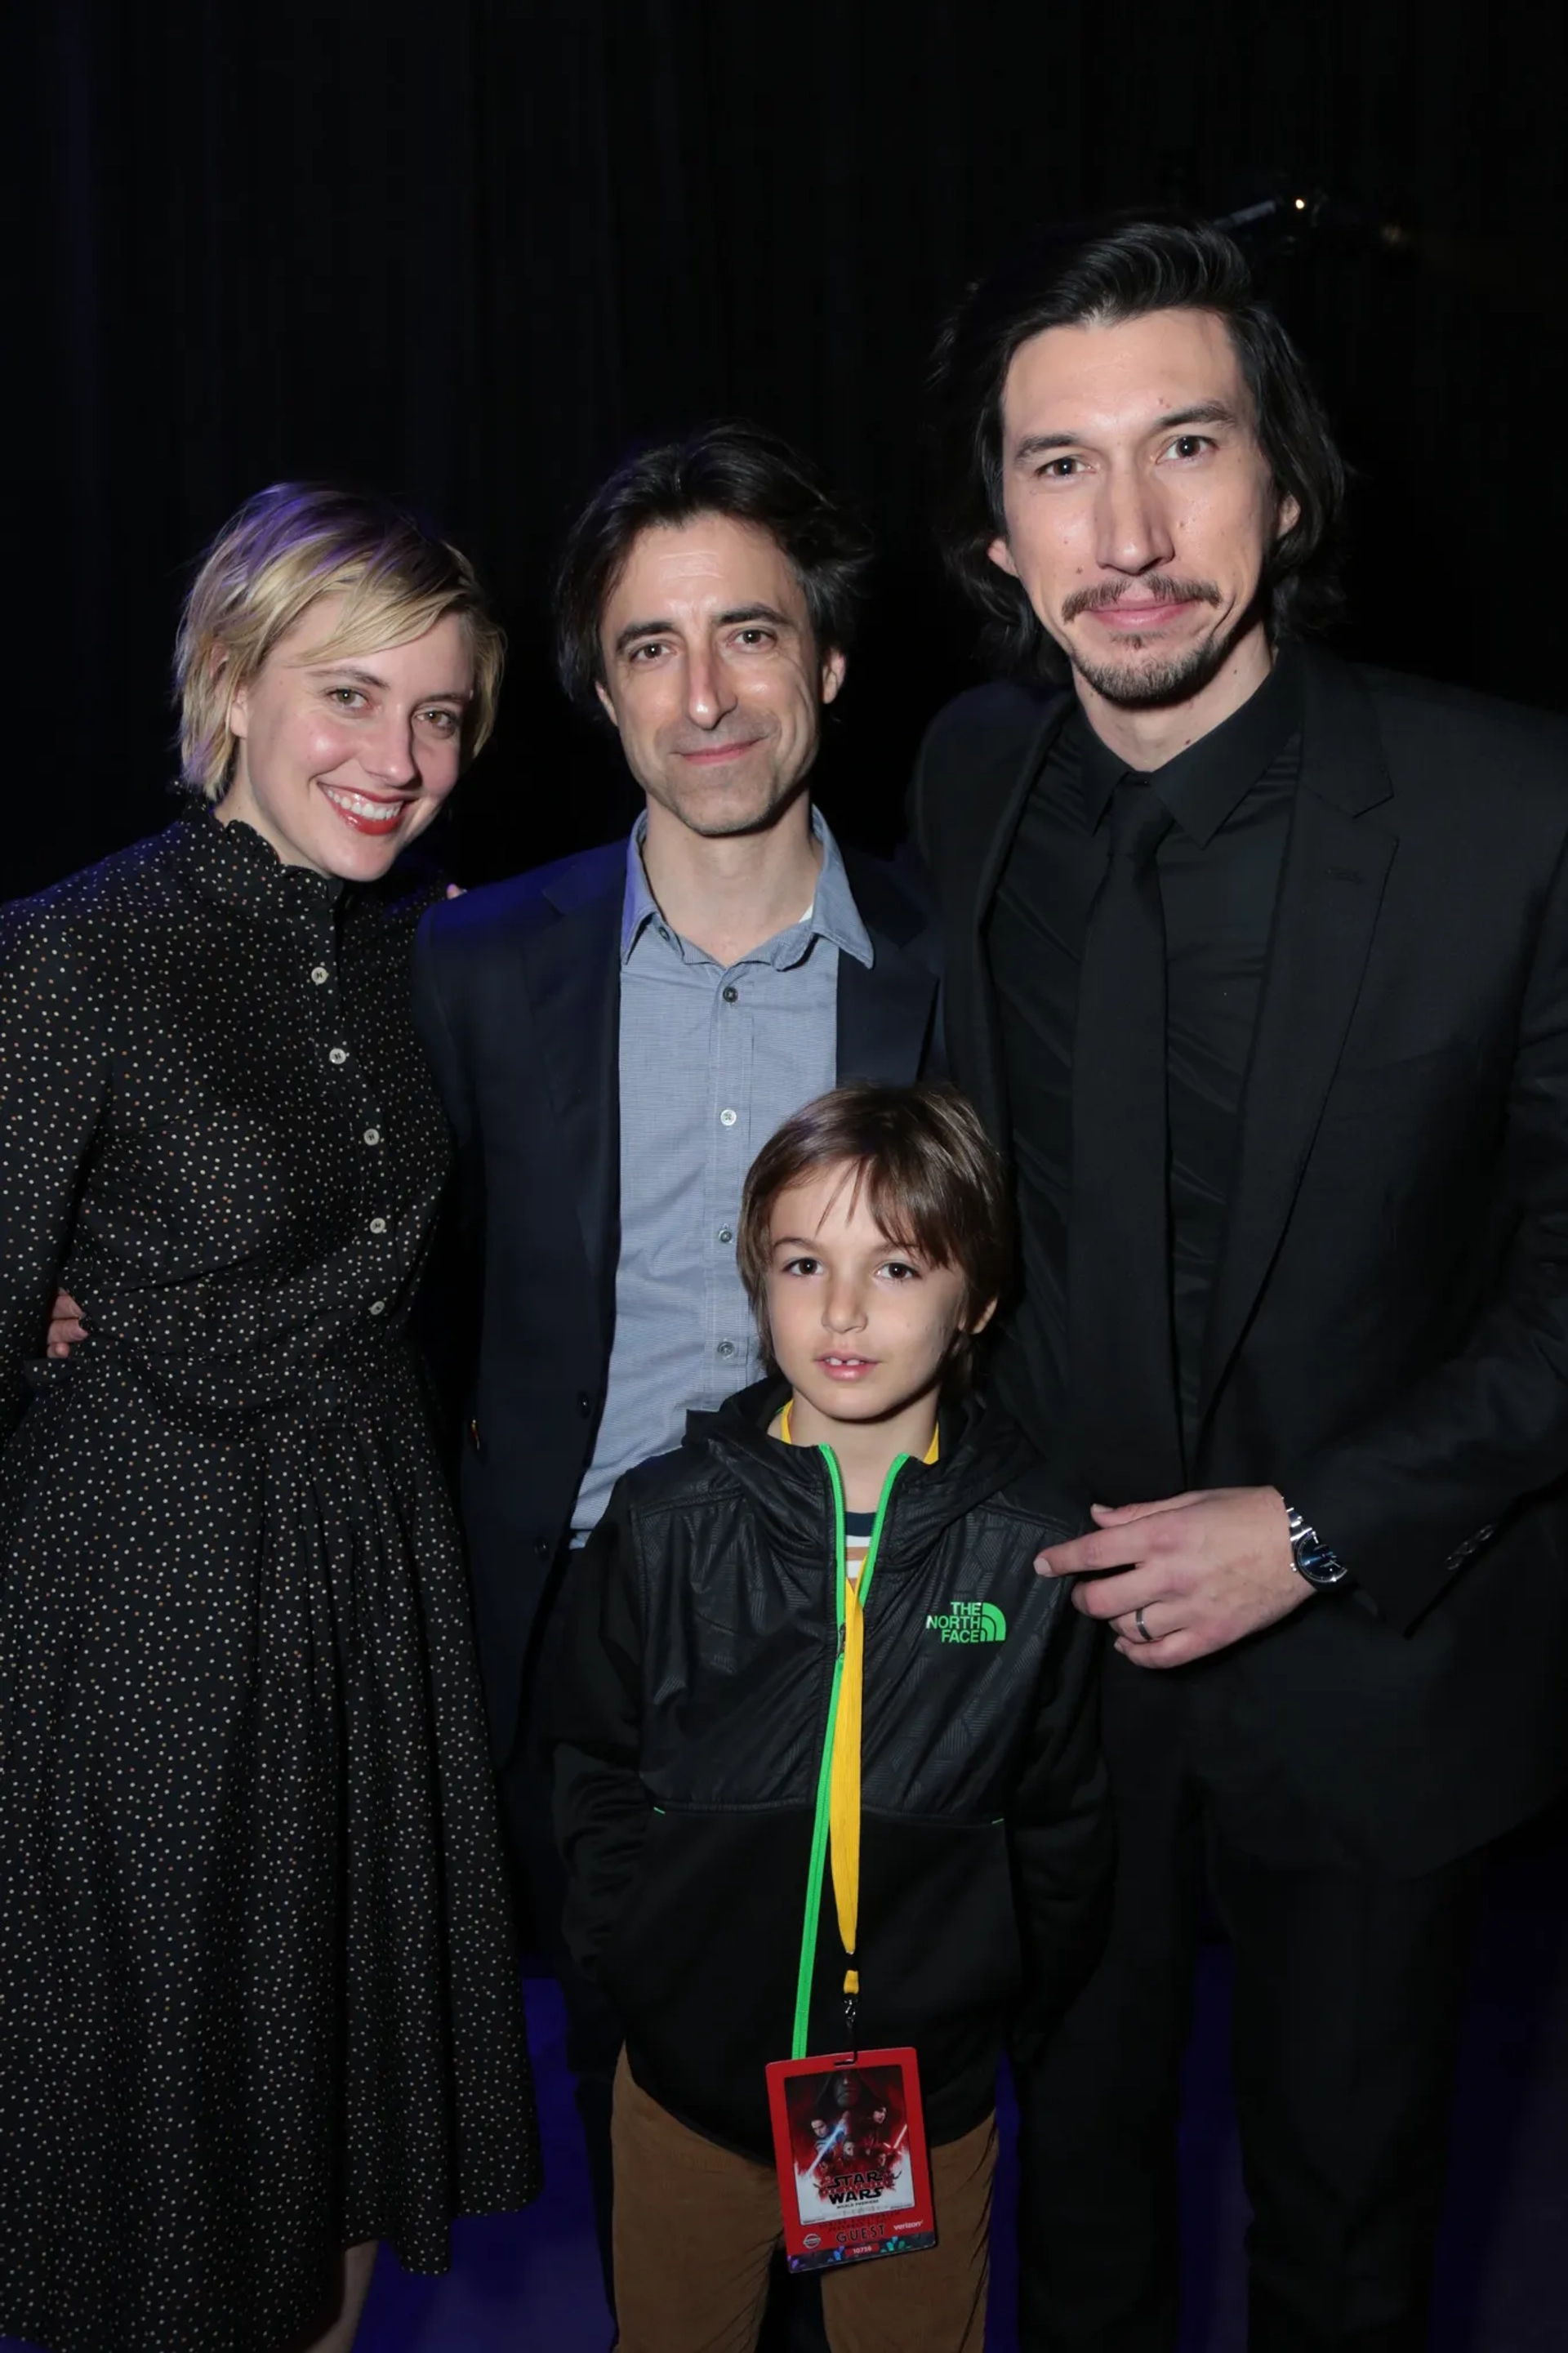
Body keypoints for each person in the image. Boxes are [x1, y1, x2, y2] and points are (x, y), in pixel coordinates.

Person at [914, 210, 1568, 2352]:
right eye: (1059, 467)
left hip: (1376, 1660)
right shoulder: (971, 776)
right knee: (1070, 2213)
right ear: (998, 535)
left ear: (1283, 483)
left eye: (1185, 445)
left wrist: (1309, 1530)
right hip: (1058, 1668)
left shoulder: (1513, 808)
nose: (1128, 527)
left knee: (1349, 2237)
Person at [0, 485, 540, 2353]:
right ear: (228, 683)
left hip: (365, 1599)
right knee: (162, 2161)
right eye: (350, 696)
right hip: (139, 1619)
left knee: (334, 2132)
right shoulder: (73, 954)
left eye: (444, 714)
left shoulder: (426, 955)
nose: (401, 759)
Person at [410, 422, 943, 2304]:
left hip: (872, 1623)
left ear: (832, 665)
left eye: (751, 635)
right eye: (651, 647)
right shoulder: (476, 968)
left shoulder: (947, 962)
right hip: (581, 1633)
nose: (705, 695)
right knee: (632, 2090)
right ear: (602, 689)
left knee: (874, 2102)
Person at [549, 1082, 1112, 2353]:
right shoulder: (666, 1519)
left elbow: (1066, 1822)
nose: (843, 1311)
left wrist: (992, 1992)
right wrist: (637, 1962)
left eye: (898, 1266)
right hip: (688, 2091)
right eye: (805, 1262)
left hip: (917, 2104)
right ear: (760, 1281)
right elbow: (588, 1761)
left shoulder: (1035, 1549)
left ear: (975, 1302)